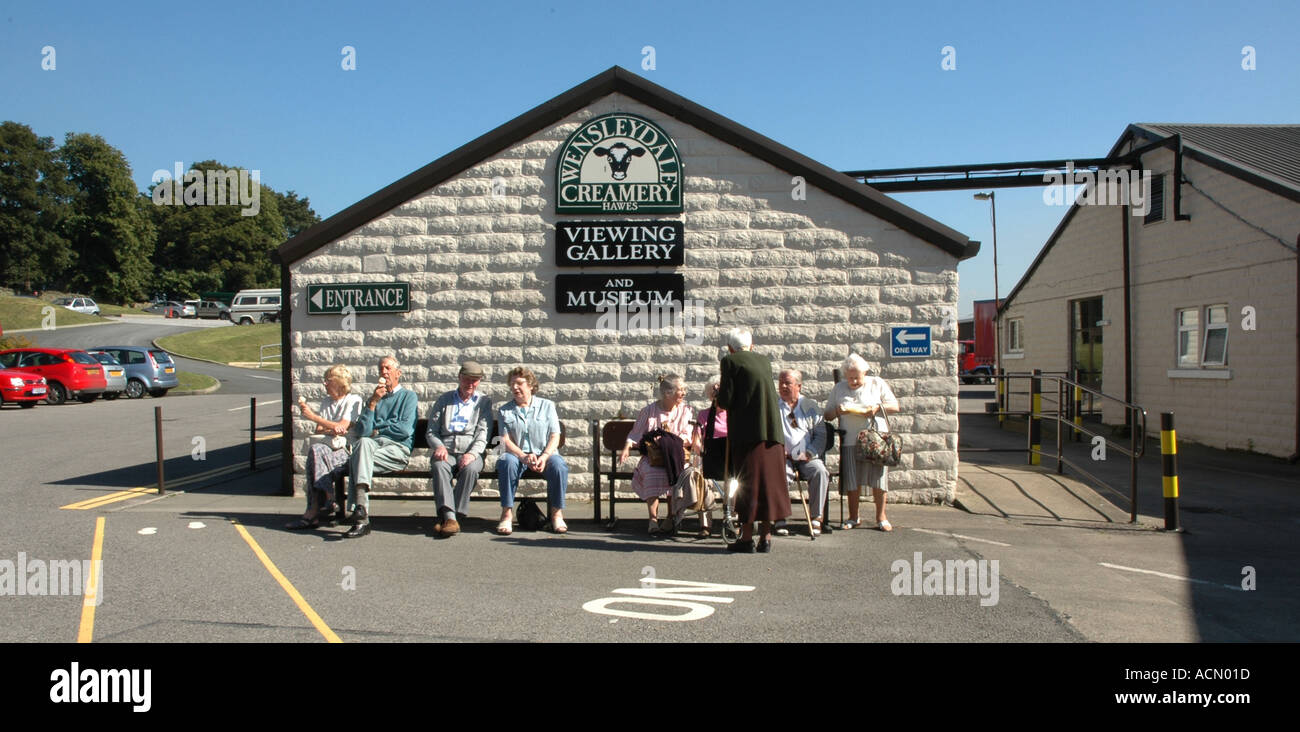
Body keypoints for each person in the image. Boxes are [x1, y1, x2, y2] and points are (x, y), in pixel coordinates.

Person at [716, 328, 790, 553]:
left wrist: (720, 393)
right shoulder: (764, 361)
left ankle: (746, 538)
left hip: (748, 433)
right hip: (772, 433)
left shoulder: (730, 361)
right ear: (752, 344)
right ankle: (766, 537)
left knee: (748, 485)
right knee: (769, 485)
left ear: (730, 348)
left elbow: (726, 400)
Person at [345, 355, 419, 538]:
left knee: (358, 456)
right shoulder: (374, 398)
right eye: (381, 369)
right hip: (371, 448)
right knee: (362, 445)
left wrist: (377, 430)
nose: (383, 372)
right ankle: (361, 513)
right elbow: (362, 431)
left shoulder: (408, 397)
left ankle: (360, 514)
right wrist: (372, 403)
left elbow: (404, 429)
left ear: (398, 373)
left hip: (396, 450)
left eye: (387, 368)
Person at [825, 353, 899, 531]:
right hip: (850, 439)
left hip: (875, 439)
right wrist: (838, 410)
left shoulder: (877, 383)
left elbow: (895, 406)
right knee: (852, 479)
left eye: (857, 378)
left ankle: (881, 517)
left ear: (864, 374)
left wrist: (876, 408)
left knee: (878, 479)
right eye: (850, 378)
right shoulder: (839, 388)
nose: (853, 382)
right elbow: (827, 415)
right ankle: (853, 516)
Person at [286, 364, 363, 530]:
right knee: (316, 452)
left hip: (347, 451)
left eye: (328, 380)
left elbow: (342, 427)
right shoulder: (326, 401)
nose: (324, 384)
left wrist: (313, 417)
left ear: (339, 382)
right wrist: (331, 427)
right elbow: (320, 429)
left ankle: (314, 511)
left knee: (314, 457)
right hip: (327, 449)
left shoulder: (354, 401)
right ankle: (328, 499)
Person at [618, 375, 697, 535]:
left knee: (676, 471)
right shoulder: (649, 411)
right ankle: (653, 519)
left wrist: (668, 442)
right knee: (651, 472)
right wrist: (627, 447)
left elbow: (687, 435)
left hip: (676, 456)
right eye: (680, 390)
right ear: (668, 393)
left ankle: (671, 516)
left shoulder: (686, 411)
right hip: (654, 457)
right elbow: (636, 433)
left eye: (684, 389)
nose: (683, 393)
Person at [496, 366, 568, 535]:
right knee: (506, 462)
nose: (514, 387)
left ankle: (556, 514)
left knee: (559, 466)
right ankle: (506, 514)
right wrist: (522, 456)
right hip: (517, 455)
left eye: (519, 383)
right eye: (512, 384)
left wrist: (544, 456)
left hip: (545, 454)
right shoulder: (504, 410)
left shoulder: (547, 406)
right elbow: (504, 440)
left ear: (530, 385)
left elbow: (554, 435)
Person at [426, 361, 492, 538]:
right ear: (459, 378)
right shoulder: (444, 399)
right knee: (439, 466)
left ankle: (450, 517)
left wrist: (471, 454)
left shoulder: (484, 402)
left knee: (471, 469)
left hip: (471, 449)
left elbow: (483, 434)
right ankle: (451, 518)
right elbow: (431, 430)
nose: (470, 384)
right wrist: (438, 446)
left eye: (475, 380)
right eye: (467, 379)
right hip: (446, 448)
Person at [777, 368, 830, 536]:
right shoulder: (773, 406)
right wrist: (778, 452)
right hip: (782, 456)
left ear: (799, 386)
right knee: (778, 473)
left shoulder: (810, 406)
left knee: (820, 471)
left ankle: (816, 518)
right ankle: (780, 518)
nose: (783, 386)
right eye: (781, 383)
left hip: (806, 456)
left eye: (788, 383)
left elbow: (821, 435)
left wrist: (809, 453)